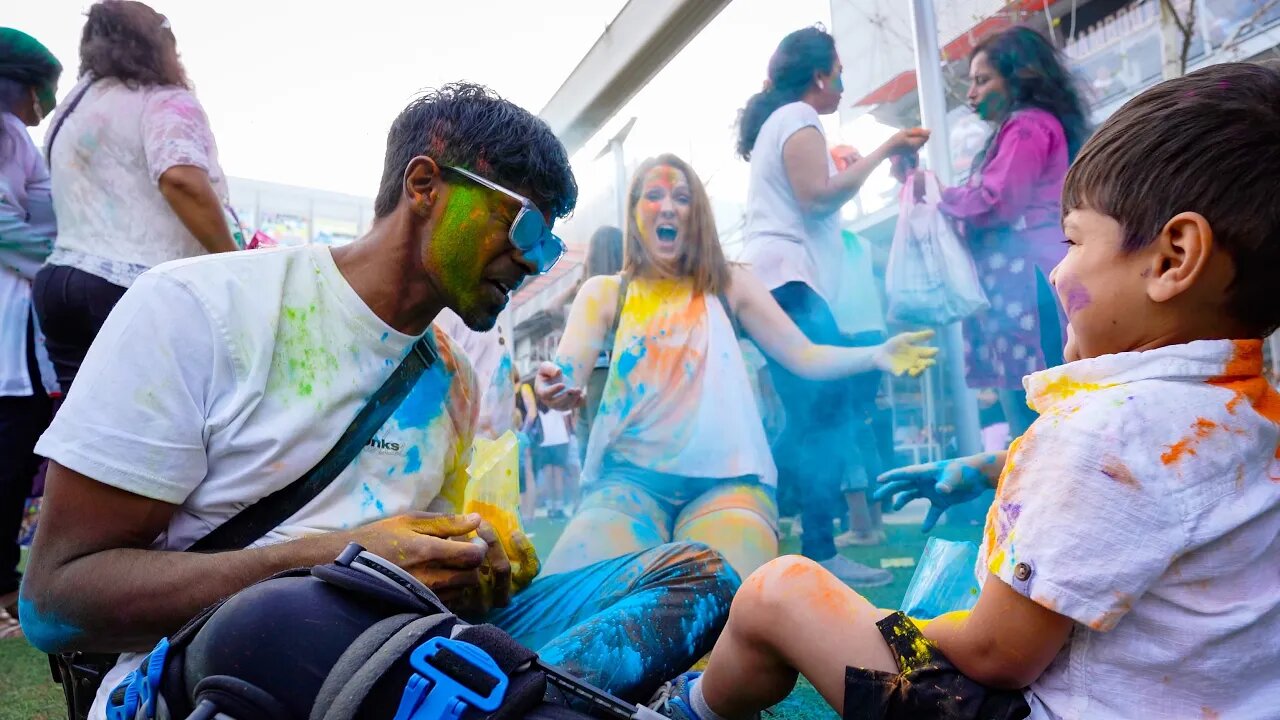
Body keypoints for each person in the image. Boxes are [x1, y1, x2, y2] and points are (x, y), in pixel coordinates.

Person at [20, 83, 739, 718]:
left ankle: (523, 702)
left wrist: (478, 564)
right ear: (424, 184)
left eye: (549, 248)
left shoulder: (454, 377)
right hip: (244, 660)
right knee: (292, 615)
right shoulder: (200, 308)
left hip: (416, 659)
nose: (532, 262)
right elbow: (56, 603)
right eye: (524, 226)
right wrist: (339, 561)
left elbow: (441, 572)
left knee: (699, 576)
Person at [650, 62, 1280, 720]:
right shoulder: (1255, 419)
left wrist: (898, 626)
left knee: (781, 589)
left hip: (1022, 705)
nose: (1057, 270)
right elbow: (1163, 497)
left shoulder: (1105, 429)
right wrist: (990, 467)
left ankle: (683, 712)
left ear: (1174, 257)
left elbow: (996, 652)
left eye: (1072, 241)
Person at [535, 153, 937, 579]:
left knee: (725, 603)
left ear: (697, 215)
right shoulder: (604, 292)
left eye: (682, 197)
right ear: (635, 212)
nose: (668, 206)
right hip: (629, 484)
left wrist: (875, 354)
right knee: (569, 594)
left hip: (728, 483)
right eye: (653, 195)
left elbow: (803, 353)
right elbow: (569, 367)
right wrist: (556, 385)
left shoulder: (729, 283)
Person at [737, 25, 929, 585]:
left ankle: (765, 520)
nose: (843, 84)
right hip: (786, 281)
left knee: (810, 416)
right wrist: (887, 147)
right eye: (839, 71)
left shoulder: (783, 121)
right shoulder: (799, 118)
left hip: (779, 282)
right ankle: (816, 548)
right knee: (823, 415)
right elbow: (817, 196)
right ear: (820, 76)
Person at [33, 0, 240, 395]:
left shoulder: (75, 105)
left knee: (77, 430)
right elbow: (180, 179)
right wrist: (230, 260)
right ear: (160, 43)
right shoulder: (163, 99)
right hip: (131, 286)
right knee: (148, 426)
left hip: (59, 281)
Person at [931, 26, 1090, 437]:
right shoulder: (1030, 126)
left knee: (1035, 417)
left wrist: (935, 195)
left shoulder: (1025, 127)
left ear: (1018, 78)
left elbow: (996, 201)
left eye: (982, 80)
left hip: (1027, 287)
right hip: (1028, 285)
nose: (972, 95)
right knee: (1041, 413)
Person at [0, 27, 60, 640]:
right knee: (10, 464)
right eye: (40, 92)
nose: (41, 109)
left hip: (16, 333)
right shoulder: (7, 134)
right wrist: (59, 258)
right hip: (11, 338)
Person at [575, 225, 625, 462]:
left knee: (596, 453)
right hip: (606, 376)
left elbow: (550, 309)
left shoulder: (596, 293)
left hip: (598, 375)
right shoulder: (627, 290)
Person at [535, 401, 573, 519]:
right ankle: (559, 508)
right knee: (558, 478)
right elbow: (568, 422)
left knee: (549, 478)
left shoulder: (539, 403)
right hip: (560, 441)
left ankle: (551, 507)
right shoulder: (560, 401)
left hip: (544, 443)